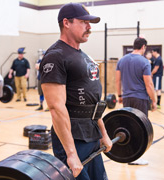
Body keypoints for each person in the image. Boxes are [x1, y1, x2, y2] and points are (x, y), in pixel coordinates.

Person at [39, 3, 112, 179]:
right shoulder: (55, 56)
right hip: (73, 139)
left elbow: (93, 103)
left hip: (91, 134)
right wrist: (71, 153)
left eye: (90, 23)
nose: (89, 27)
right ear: (66, 23)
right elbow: (56, 108)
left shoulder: (83, 56)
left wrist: (103, 134)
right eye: (84, 22)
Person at [116, 37, 157, 165]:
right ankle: (135, 157)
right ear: (143, 47)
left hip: (127, 98)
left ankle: (129, 155)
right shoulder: (145, 62)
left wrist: (119, 95)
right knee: (140, 128)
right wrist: (154, 100)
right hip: (140, 99)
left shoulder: (122, 60)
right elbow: (149, 84)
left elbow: (118, 80)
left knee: (129, 126)